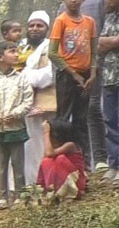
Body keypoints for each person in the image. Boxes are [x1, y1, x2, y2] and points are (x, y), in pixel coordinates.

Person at [58, 0, 109, 172]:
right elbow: (58, 44)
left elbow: (99, 38)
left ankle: (100, 158)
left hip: (95, 65)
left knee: (94, 109)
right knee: (69, 116)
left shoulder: (98, 3)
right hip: (69, 71)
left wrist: (95, 67)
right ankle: (75, 163)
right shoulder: (63, 9)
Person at [0, 40, 34, 207]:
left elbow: (28, 100)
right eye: (12, 52)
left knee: (18, 164)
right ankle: (3, 197)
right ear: (0, 57)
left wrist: (15, 114)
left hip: (16, 128)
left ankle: (20, 196)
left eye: (17, 51)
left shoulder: (21, 79)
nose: (16, 55)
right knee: (1, 166)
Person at [50, 0, 99, 159]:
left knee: (81, 118)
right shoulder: (61, 20)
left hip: (86, 75)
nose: (74, 2)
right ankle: (60, 157)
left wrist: (92, 74)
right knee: (62, 119)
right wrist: (73, 74)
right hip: (67, 75)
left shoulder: (89, 22)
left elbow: (94, 50)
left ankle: (83, 160)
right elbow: (52, 53)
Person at [23, 11, 59, 184]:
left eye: (39, 25)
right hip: (25, 107)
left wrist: (23, 78)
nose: (34, 29)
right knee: (29, 148)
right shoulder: (21, 49)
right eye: (31, 25)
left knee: (46, 146)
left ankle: (49, 184)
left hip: (46, 105)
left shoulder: (51, 47)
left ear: (47, 28)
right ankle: (32, 187)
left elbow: (49, 75)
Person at [38, 118, 89, 197]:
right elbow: (46, 156)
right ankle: (49, 190)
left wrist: (46, 133)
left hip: (75, 181)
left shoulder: (70, 145)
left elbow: (49, 153)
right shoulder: (55, 148)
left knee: (60, 159)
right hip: (60, 182)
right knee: (46, 161)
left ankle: (73, 191)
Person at [99, 0, 119, 176]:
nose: (105, 2)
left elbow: (104, 43)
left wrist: (108, 42)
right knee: (110, 120)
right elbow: (98, 45)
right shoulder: (109, 17)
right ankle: (114, 164)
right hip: (109, 78)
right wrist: (113, 41)